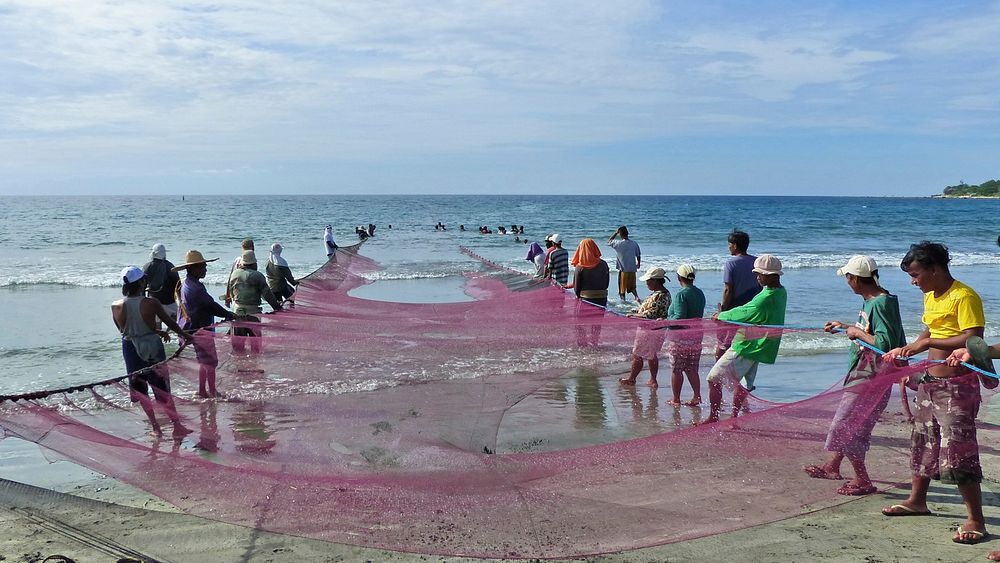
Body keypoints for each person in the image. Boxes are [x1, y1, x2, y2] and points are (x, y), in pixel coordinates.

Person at [881, 242, 988, 545]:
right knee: (922, 441)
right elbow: (929, 332)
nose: (913, 281)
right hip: (929, 381)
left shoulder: (964, 296)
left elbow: (973, 338)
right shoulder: (930, 295)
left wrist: (926, 346)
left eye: (916, 275)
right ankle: (917, 500)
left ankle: (975, 519)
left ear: (935, 269)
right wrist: (909, 352)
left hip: (957, 386)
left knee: (959, 449)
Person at [803, 255, 905, 496]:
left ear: (856, 279)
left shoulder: (881, 303)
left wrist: (856, 332)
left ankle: (862, 479)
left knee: (845, 425)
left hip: (872, 375)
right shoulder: (875, 300)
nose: (847, 283)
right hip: (866, 372)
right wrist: (845, 326)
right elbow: (872, 330)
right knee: (854, 422)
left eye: (848, 278)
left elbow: (885, 344)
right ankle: (833, 465)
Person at [703, 254, 787, 424]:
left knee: (713, 378)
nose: (757, 277)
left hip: (747, 345)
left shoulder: (766, 297)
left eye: (760, 274)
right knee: (745, 384)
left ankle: (713, 417)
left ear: (771, 275)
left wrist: (721, 315)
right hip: (761, 345)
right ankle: (734, 417)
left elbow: (745, 312)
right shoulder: (780, 291)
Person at [111, 266, 190, 435]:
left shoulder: (115, 305)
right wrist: (185, 336)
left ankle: (156, 428)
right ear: (141, 283)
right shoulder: (151, 303)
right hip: (152, 347)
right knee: (162, 388)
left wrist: (155, 331)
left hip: (130, 349)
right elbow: (170, 322)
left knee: (140, 389)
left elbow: (124, 329)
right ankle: (177, 426)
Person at [173, 250, 234, 398]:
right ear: (193, 268)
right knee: (211, 361)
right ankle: (212, 391)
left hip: (195, 328)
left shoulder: (189, 283)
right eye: (202, 267)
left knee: (203, 361)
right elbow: (211, 306)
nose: (205, 269)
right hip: (201, 330)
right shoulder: (195, 288)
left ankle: (202, 390)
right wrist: (231, 315)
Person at [619, 266, 671, 388]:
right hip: (658, 329)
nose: (647, 283)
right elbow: (651, 310)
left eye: (649, 281)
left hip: (649, 330)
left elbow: (650, 314)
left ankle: (632, 379)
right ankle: (653, 379)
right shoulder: (664, 293)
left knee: (637, 355)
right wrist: (636, 311)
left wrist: (634, 315)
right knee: (652, 355)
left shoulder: (659, 296)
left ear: (656, 281)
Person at [716, 230, 761, 359]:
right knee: (747, 340)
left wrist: (724, 309)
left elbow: (728, 289)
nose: (728, 247)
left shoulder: (731, 263)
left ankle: (720, 368)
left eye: (729, 244)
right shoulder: (756, 261)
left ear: (735, 245)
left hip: (735, 307)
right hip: (752, 308)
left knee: (725, 341)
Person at [228, 250, 283, 354]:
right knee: (256, 345)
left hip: (237, 313)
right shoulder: (257, 276)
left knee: (238, 347)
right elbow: (267, 295)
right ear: (253, 264)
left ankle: (238, 365)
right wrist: (277, 307)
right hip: (253, 314)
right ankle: (254, 364)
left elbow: (231, 292)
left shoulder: (235, 274)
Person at [666, 264, 706, 405]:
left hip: (680, 338)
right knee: (692, 368)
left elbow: (680, 318)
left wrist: (665, 321)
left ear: (679, 277)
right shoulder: (699, 293)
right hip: (696, 336)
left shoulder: (681, 294)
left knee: (677, 370)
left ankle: (676, 399)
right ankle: (697, 396)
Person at [565, 238, 609, 348]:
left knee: (579, 323)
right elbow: (606, 284)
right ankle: (594, 344)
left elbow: (577, 288)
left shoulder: (580, 268)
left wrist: (579, 296)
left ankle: (582, 346)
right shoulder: (604, 264)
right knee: (597, 324)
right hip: (602, 299)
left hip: (585, 299)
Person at [142, 244, 181, 320]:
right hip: (170, 302)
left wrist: (143, 303)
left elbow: (142, 286)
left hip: (154, 302)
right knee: (176, 325)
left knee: (157, 328)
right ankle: (169, 330)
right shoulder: (170, 266)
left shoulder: (146, 267)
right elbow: (178, 285)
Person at [608, 226, 641, 302]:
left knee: (622, 289)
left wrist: (615, 233)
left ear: (620, 234)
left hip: (623, 269)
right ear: (627, 233)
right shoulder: (634, 243)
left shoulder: (618, 243)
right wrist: (638, 263)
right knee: (632, 287)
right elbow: (638, 255)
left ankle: (623, 302)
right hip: (632, 269)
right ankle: (636, 297)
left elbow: (609, 241)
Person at [225, 239, 254, 307]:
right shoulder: (252, 262)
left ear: (242, 248)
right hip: (248, 298)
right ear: (252, 247)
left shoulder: (237, 260)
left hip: (236, 294)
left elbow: (230, 278)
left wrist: (227, 296)